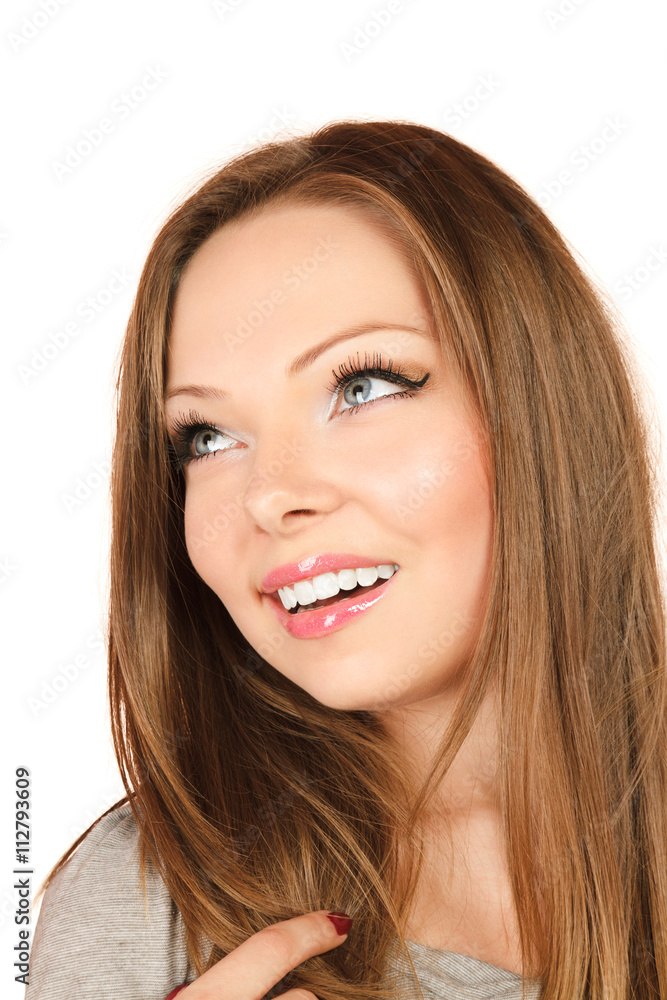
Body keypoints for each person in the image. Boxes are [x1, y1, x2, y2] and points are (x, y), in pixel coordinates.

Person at [26, 119, 667, 1000]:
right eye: (206, 436)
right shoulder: (144, 904)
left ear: (538, 406)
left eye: (361, 386)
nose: (269, 495)